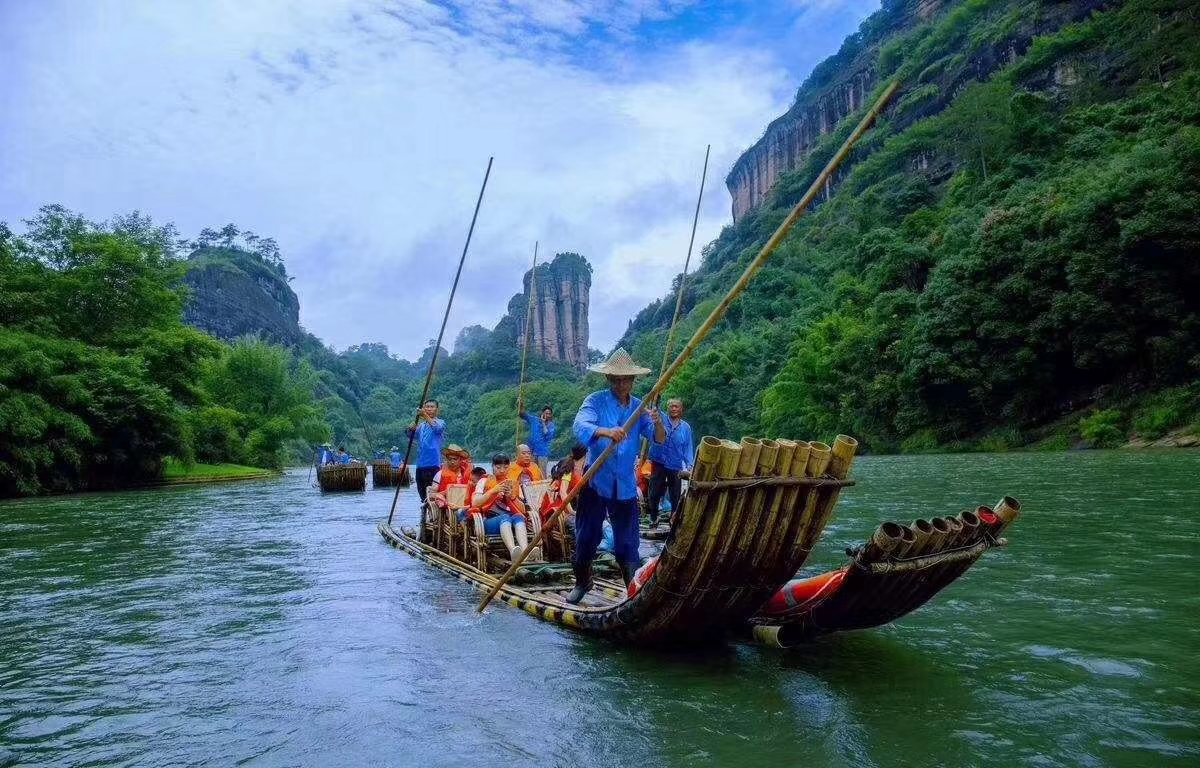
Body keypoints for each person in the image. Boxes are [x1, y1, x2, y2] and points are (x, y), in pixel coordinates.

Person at [568, 347, 665, 603]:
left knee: (626, 543)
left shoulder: (640, 408)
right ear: (608, 379)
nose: (622, 384)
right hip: (597, 479)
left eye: (626, 379)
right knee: (588, 536)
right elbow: (580, 425)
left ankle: (633, 592)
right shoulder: (595, 401)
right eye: (616, 379)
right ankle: (583, 581)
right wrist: (605, 431)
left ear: (633, 380)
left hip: (624, 484)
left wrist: (656, 421)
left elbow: (659, 439)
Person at [471, 454, 542, 562]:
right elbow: (475, 503)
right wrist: (493, 491)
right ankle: (513, 550)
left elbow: (522, 510)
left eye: (505, 467)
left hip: (511, 519)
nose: (502, 470)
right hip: (489, 521)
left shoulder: (513, 483)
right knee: (505, 517)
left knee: (519, 517)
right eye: (498, 467)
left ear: (509, 468)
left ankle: (525, 551)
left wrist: (512, 497)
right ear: (492, 467)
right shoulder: (484, 481)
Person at [646, 397, 695, 527]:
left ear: (681, 409)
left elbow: (688, 448)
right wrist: (657, 396)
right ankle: (653, 517)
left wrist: (690, 465)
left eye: (676, 406)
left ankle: (673, 518)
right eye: (671, 406)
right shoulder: (661, 418)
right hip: (659, 461)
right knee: (654, 492)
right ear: (668, 408)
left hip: (675, 464)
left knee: (675, 494)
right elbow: (654, 405)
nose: (674, 409)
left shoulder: (685, 428)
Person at [405, 399, 445, 503]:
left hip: (432, 464)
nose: (429, 409)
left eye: (432, 407)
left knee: (431, 494)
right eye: (427, 407)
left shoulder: (440, 422)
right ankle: (424, 514)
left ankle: (434, 514)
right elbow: (411, 435)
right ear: (424, 408)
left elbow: (438, 429)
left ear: (437, 409)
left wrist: (424, 415)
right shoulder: (422, 426)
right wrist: (410, 429)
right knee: (422, 493)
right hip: (420, 464)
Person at [427, 444, 472, 511]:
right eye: (449, 459)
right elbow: (431, 495)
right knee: (438, 497)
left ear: (460, 460)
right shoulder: (439, 474)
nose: (452, 462)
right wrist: (446, 492)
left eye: (455, 459)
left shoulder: (469, 474)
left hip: (464, 504)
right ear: (447, 460)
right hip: (446, 505)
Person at [519, 402, 557, 474]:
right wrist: (521, 405)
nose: (547, 415)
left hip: (542, 453)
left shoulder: (551, 426)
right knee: (531, 471)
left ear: (551, 415)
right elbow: (522, 415)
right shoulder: (534, 420)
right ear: (542, 413)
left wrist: (543, 423)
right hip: (531, 451)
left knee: (541, 472)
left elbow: (546, 433)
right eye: (546, 413)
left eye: (549, 414)